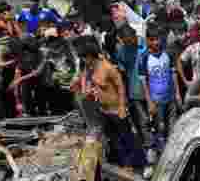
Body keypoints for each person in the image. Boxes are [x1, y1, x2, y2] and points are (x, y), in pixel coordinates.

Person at [72, 37, 144, 171]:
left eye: (84, 57)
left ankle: (133, 163)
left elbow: (120, 87)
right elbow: (86, 82)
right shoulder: (90, 68)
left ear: (90, 55)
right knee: (114, 138)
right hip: (104, 110)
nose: (83, 60)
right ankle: (123, 162)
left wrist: (122, 107)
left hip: (117, 109)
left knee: (126, 137)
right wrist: (85, 89)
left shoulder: (107, 67)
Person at [139, 27, 180, 167]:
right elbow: (144, 82)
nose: (156, 42)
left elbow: (174, 74)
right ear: (147, 40)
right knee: (159, 127)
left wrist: (178, 93)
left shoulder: (168, 53)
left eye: (157, 39)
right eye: (152, 39)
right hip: (156, 100)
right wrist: (149, 101)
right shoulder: (144, 57)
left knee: (173, 125)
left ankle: (174, 154)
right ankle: (162, 157)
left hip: (171, 97)